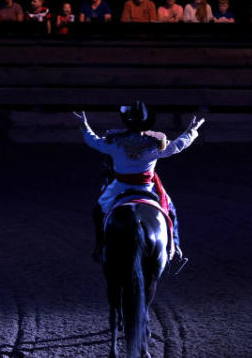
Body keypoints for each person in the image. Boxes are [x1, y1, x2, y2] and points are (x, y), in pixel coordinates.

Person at [75, 103, 201, 265]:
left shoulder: (115, 142)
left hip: (119, 187)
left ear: (126, 121)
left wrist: (84, 126)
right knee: (170, 209)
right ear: (147, 122)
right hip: (148, 188)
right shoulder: (156, 143)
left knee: (99, 211)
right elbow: (177, 146)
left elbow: (94, 141)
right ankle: (173, 246)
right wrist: (192, 131)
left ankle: (100, 246)